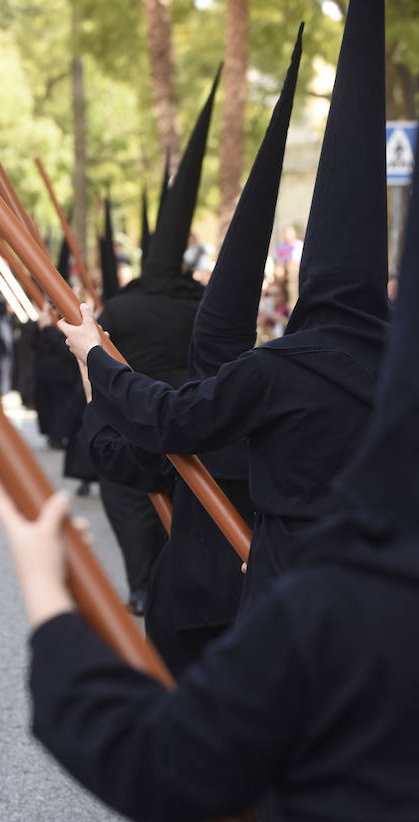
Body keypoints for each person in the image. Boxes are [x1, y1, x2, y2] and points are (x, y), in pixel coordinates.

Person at [0, 120, 419, 822]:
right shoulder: (363, 372)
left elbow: (152, 760)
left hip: (282, 573)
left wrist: (49, 596)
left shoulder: (334, 604)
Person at [59, 0, 390, 620]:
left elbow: (169, 421)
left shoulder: (281, 370)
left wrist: (94, 360)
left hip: (289, 597)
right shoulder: (401, 369)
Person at [91, 68, 220, 616]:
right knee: (187, 508)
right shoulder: (203, 303)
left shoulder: (121, 306)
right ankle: (164, 582)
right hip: (193, 425)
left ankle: (141, 583)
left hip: (130, 418)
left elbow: (93, 354)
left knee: (127, 500)